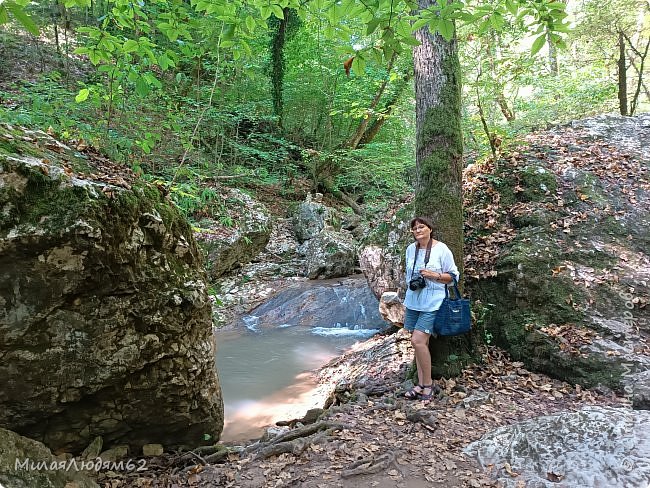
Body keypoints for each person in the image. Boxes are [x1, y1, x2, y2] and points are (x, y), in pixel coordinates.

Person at [403, 216, 459, 401]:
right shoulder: (411, 249)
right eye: (415, 228)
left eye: (422, 227)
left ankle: (428, 384)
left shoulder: (441, 249)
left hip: (433, 302)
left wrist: (434, 275)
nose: (418, 230)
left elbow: (453, 276)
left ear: (430, 229)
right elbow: (407, 274)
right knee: (421, 344)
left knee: (417, 341)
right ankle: (420, 383)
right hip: (413, 301)